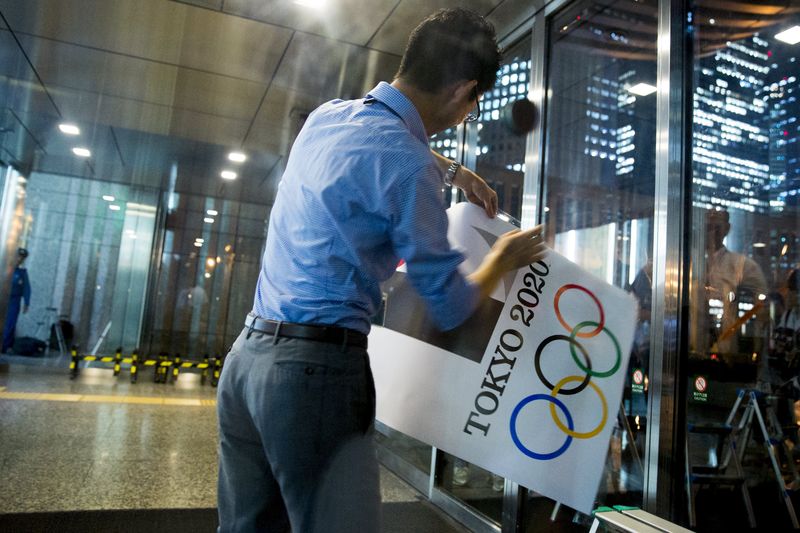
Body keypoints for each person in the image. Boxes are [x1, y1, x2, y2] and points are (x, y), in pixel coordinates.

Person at [216, 8, 548, 533]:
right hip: (314, 374)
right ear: (464, 92)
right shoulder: (410, 166)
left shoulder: (328, 117)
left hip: (246, 364)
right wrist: (501, 260)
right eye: (476, 100)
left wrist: (456, 173)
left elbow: (383, 149)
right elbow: (450, 303)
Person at [2, 247, 31, 353]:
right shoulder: (4, 268)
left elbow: (26, 288)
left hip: (14, 300)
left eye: (22, 258)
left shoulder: (22, 273)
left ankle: (4, 346)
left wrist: (27, 302)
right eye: (18, 257)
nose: (19, 260)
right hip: (3, 298)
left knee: (10, 322)